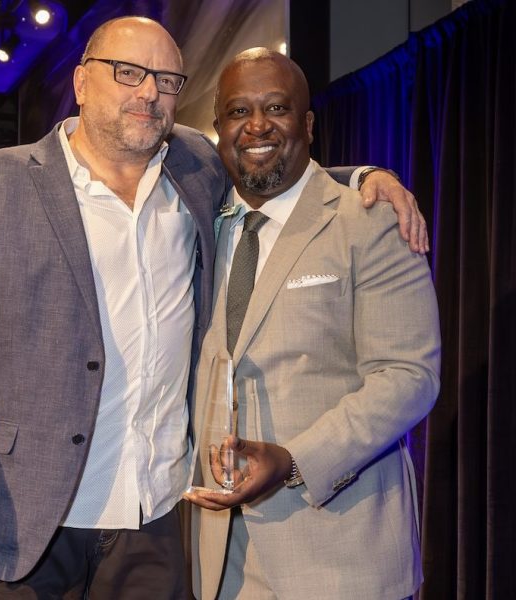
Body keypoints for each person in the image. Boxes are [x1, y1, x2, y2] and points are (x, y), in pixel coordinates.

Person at [0, 17, 426, 598]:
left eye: (168, 80)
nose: (148, 91)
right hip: (24, 522)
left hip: (156, 527)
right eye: (127, 72)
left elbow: (279, 173)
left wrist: (369, 179)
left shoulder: (195, 171)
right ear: (80, 82)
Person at [184, 48, 441, 600]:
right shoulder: (201, 228)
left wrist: (294, 460)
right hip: (223, 562)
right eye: (238, 111)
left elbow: (408, 377)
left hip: (343, 559)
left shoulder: (370, 220)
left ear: (308, 124)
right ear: (218, 128)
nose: (256, 125)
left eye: (276, 107)